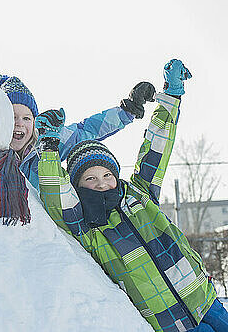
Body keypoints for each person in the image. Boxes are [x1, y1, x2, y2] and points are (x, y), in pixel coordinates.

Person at [37, 60, 228, 332]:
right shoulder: (88, 227)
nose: (101, 183)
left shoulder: (140, 193)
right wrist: (49, 148)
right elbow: (56, 194)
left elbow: (156, 149)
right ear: (78, 187)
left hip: (205, 299)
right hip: (169, 323)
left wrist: (172, 95)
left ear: (116, 175)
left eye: (106, 175)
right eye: (90, 179)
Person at [0, 54, 155, 191]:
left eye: (26, 118)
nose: (19, 125)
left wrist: (126, 111)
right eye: (12, 117)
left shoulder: (45, 143)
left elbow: (86, 130)